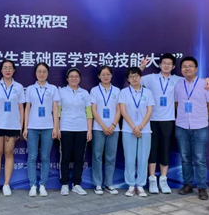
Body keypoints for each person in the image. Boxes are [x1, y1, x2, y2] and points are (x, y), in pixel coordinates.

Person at [140, 53, 209, 194]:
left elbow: (195, 80)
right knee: (153, 151)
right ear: (159, 65)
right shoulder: (151, 78)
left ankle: (164, 180)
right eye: (164, 63)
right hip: (151, 120)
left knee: (167, 151)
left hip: (169, 121)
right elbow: (134, 79)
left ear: (173, 67)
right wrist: (142, 67)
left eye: (169, 63)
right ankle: (152, 180)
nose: (166, 65)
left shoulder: (178, 80)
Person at [174, 56, 209, 200]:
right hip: (181, 126)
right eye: (184, 66)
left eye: (190, 66)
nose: (187, 69)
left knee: (199, 159)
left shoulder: (205, 84)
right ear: (181, 70)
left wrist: (203, 118)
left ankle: (202, 187)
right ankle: (187, 185)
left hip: (200, 127)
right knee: (185, 158)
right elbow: (176, 104)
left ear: (196, 69)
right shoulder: (178, 85)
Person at [0, 60, 25, 196]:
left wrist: (21, 127)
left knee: (9, 154)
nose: (7, 70)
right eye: (5, 68)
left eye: (10, 68)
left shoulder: (19, 87)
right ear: (1, 70)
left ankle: (6, 184)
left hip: (12, 125)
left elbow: (21, 108)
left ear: (14, 70)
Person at [24, 63, 60, 197]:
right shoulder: (30, 89)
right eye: (39, 71)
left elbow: (55, 108)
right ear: (35, 73)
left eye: (44, 71)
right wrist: (25, 127)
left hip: (48, 127)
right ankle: (33, 185)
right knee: (32, 157)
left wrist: (56, 127)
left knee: (45, 157)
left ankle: (43, 185)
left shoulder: (53, 88)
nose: (41, 74)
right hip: (33, 127)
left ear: (47, 73)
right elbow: (27, 108)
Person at [119, 67, 155, 197]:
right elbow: (123, 111)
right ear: (128, 79)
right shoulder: (124, 92)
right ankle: (130, 185)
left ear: (140, 77)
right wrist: (134, 127)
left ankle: (140, 185)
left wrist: (140, 127)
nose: (134, 78)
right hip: (128, 129)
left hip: (145, 130)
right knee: (129, 158)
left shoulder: (148, 92)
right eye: (131, 76)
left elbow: (149, 111)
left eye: (136, 76)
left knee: (143, 158)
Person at [58, 68, 92, 196]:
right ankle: (64, 184)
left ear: (80, 78)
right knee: (65, 157)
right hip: (65, 128)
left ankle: (77, 184)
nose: (74, 78)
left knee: (79, 158)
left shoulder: (85, 93)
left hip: (81, 129)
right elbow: (57, 112)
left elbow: (89, 113)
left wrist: (89, 130)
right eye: (71, 76)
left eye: (76, 76)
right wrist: (57, 128)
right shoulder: (61, 92)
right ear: (67, 79)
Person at [90, 66, 121, 195]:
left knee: (111, 157)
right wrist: (103, 126)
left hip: (114, 128)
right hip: (98, 128)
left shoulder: (117, 90)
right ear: (99, 76)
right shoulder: (94, 90)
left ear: (111, 76)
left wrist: (113, 125)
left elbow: (119, 110)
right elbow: (93, 110)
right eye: (103, 74)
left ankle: (109, 184)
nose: (106, 77)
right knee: (97, 156)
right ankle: (97, 184)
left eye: (108, 74)